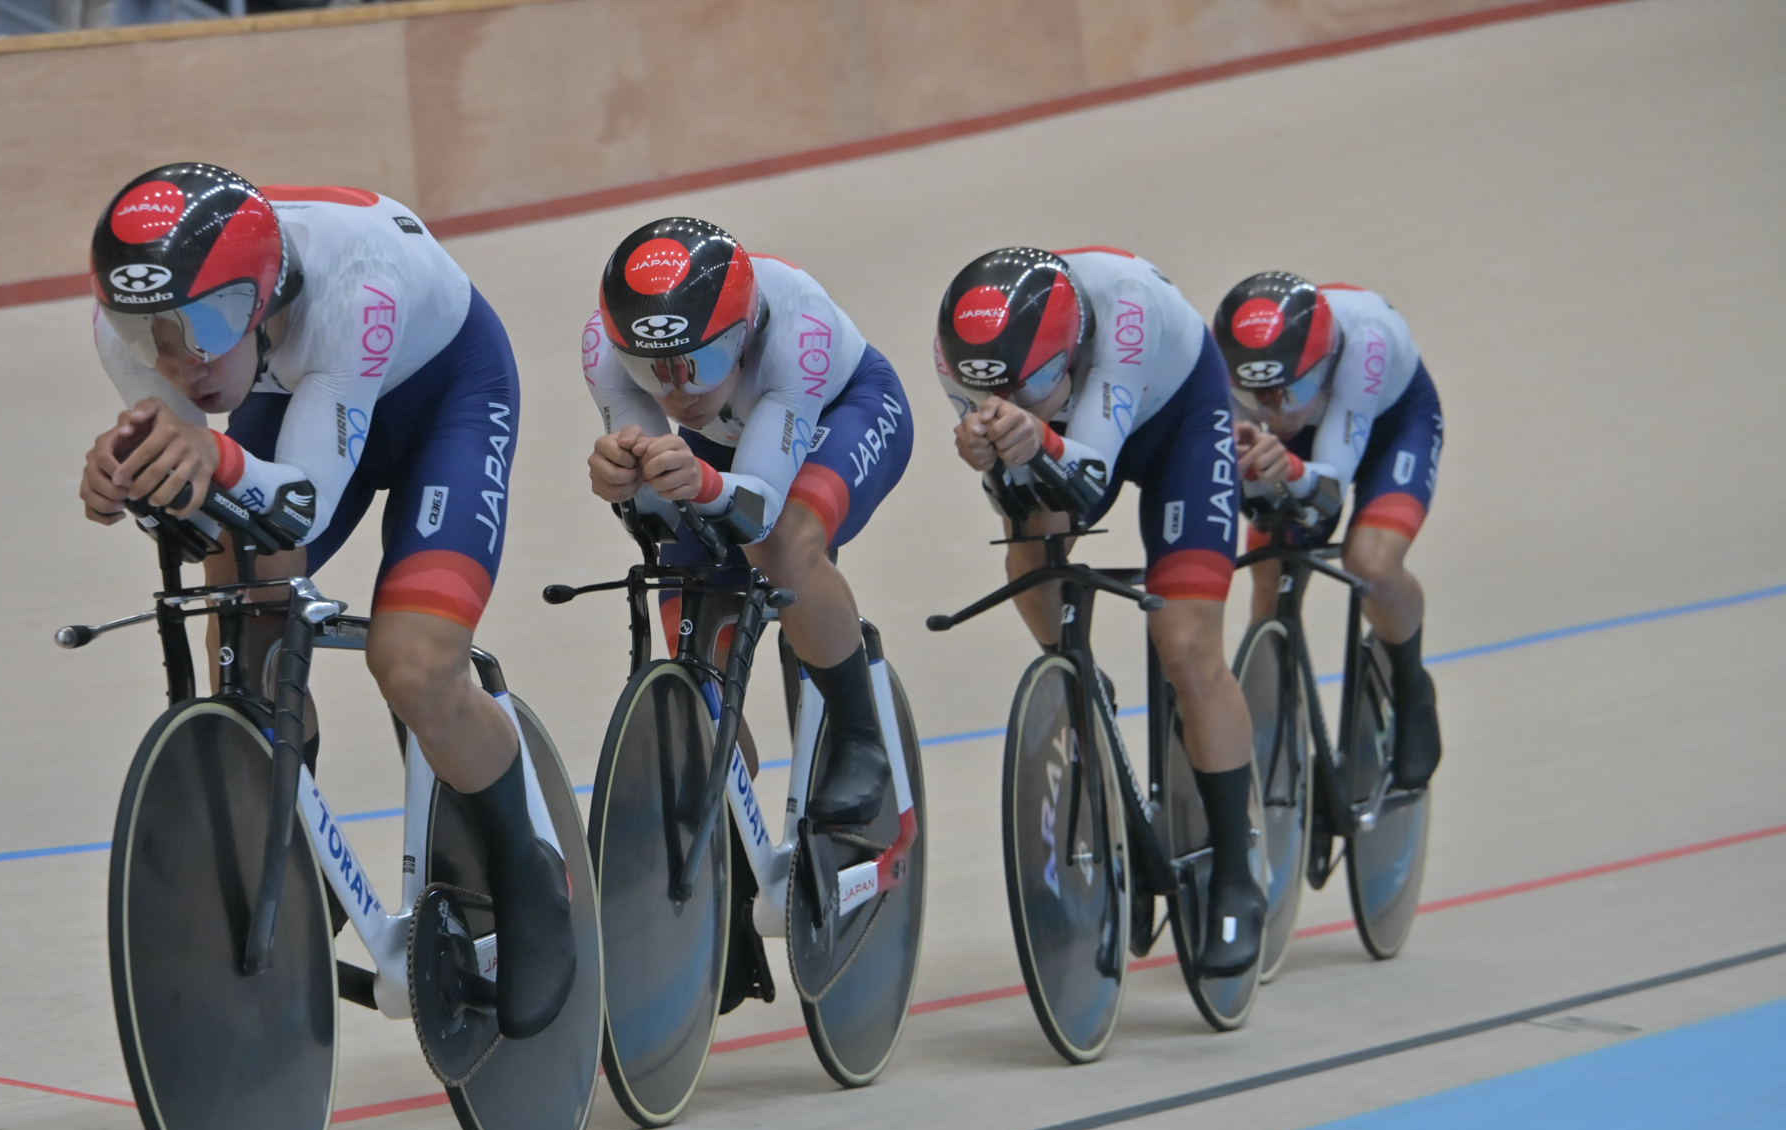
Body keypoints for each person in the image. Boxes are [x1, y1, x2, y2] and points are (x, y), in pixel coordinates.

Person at [79, 162, 573, 1040]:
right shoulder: (146, 337)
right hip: (302, 397)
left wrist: (219, 462)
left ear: (264, 298)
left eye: (204, 326)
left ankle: (531, 870)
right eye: (146, 329)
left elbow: (297, 494)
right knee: (241, 613)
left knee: (414, 664)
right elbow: (191, 455)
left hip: (444, 398)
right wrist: (133, 475)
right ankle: (284, 815)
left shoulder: (356, 289)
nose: (173, 359)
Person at [937, 246, 1263, 977]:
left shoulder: (1125, 314)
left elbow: (1085, 474)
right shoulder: (961, 356)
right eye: (1004, 391)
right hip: (1074, 431)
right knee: (1030, 555)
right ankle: (1084, 680)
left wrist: (1036, 438)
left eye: (1040, 382)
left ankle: (1239, 870)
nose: (1021, 397)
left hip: (1178, 418)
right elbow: (1026, 500)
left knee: (1186, 646)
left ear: (1073, 350)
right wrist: (994, 455)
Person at [582, 217, 913, 922]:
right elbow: (657, 506)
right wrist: (623, 481)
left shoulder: (798, 329)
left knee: (784, 545)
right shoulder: (608, 349)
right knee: (684, 581)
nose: (674, 391)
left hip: (844, 410)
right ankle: (725, 808)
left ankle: (860, 734)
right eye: (651, 370)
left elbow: (757, 506)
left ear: (744, 330)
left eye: (698, 363)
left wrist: (699, 483)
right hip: (729, 449)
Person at [1213, 272, 1442, 791]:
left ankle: (1411, 689)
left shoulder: (1367, 344)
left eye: (1292, 390)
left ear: (1327, 359)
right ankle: (1277, 721)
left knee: (1371, 564)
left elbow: (1329, 487)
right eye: (1256, 394)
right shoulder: (1226, 365)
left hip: (1391, 426)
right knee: (1269, 577)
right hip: (1306, 445)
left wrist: (1288, 470)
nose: (1277, 409)